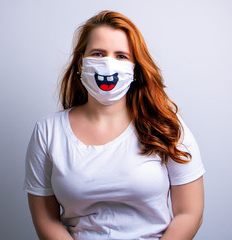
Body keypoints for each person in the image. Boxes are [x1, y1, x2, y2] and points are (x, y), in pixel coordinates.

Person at [23, 10, 205, 240]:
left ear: (136, 68)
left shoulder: (166, 125)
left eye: (121, 56)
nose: (108, 64)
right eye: (98, 54)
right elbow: (45, 218)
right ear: (81, 62)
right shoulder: (48, 132)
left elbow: (190, 213)